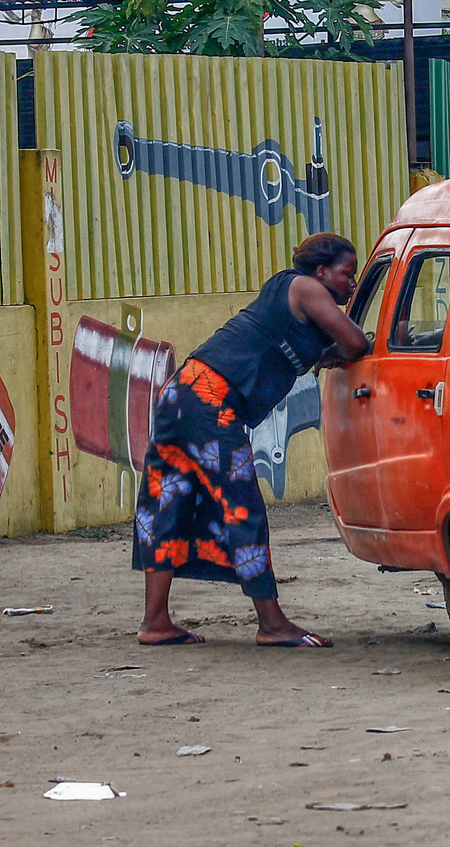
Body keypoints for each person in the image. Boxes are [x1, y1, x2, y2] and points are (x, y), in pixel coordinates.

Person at [134, 233, 372, 648]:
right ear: (321, 272)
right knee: (243, 509)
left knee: (167, 501)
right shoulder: (306, 288)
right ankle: (272, 623)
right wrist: (336, 350)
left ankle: (155, 623)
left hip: (181, 393)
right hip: (212, 402)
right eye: (347, 274)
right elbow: (355, 342)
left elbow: (290, 347)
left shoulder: (288, 292)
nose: (352, 284)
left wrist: (320, 353)